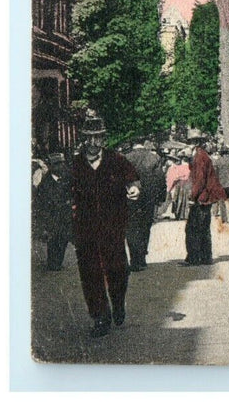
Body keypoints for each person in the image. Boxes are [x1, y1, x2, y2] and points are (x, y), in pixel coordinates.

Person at [70, 113, 141, 337]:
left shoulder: (116, 160)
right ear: (84, 139)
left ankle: (118, 303)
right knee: (90, 275)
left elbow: (133, 179)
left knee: (119, 270)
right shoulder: (75, 165)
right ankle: (100, 317)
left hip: (113, 228)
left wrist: (134, 189)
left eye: (98, 137)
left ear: (104, 138)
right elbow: (66, 194)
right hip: (86, 231)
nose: (93, 143)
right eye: (89, 138)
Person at [183, 135, 227, 266]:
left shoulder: (200, 157)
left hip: (202, 198)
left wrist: (192, 196)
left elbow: (200, 179)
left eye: (189, 143)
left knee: (193, 229)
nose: (187, 146)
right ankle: (205, 257)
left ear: (195, 144)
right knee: (202, 229)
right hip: (205, 197)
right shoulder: (200, 156)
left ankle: (195, 258)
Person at [123, 140, 165, 272]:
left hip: (130, 198)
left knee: (131, 227)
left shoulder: (126, 158)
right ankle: (142, 259)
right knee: (145, 226)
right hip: (148, 198)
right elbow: (160, 177)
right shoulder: (154, 157)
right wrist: (160, 197)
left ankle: (134, 259)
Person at [36, 153, 73, 271]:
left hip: (65, 215)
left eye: (62, 163)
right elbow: (40, 202)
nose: (61, 166)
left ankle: (58, 261)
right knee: (53, 240)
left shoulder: (68, 178)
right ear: (51, 166)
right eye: (57, 164)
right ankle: (52, 262)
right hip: (51, 216)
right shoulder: (45, 184)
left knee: (63, 239)